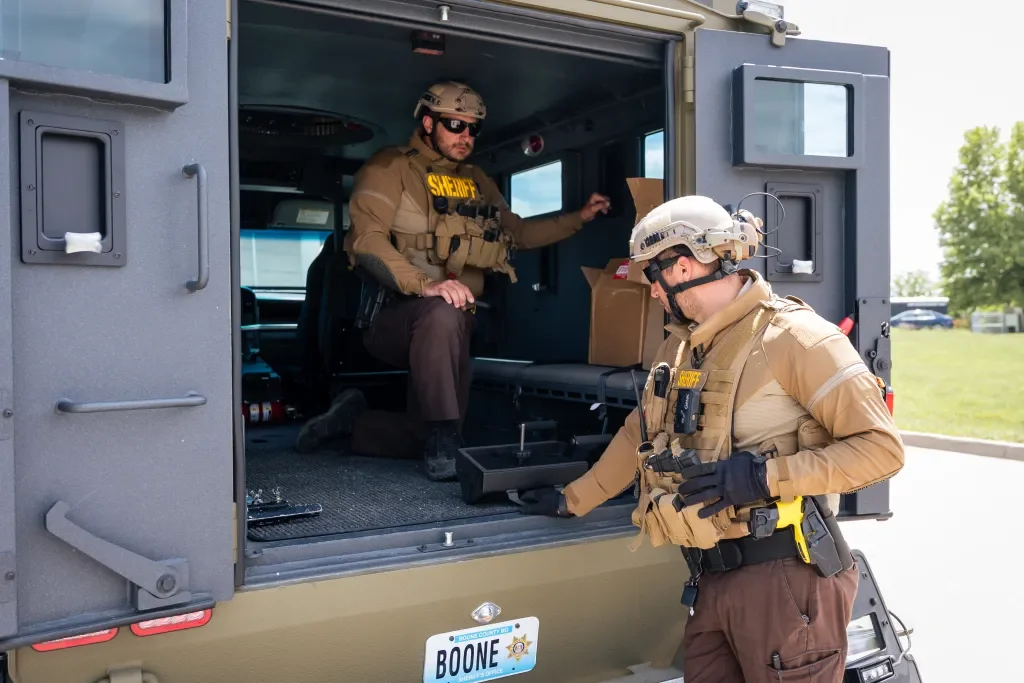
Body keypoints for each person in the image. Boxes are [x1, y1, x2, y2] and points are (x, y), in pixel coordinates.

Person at [519, 195, 905, 682]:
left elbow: (881, 450)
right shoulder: (682, 345)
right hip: (711, 579)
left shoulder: (798, 339)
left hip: (786, 581)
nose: (653, 293)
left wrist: (764, 477)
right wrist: (571, 500)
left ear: (681, 267)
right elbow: (640, 432)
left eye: (653, 279)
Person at [295, 81, 610, 480]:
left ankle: (353, 423)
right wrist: (422, 284)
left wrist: (578, 218)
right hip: (393, 319)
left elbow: (517, 233)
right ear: (428, 122)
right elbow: (366, 240)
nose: (466, 137)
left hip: (455, 322)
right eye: (454, 126)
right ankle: (442, 435)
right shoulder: (390, 168)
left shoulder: (477, 179)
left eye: (473, 128)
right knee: (442, 328)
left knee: (426, 435)